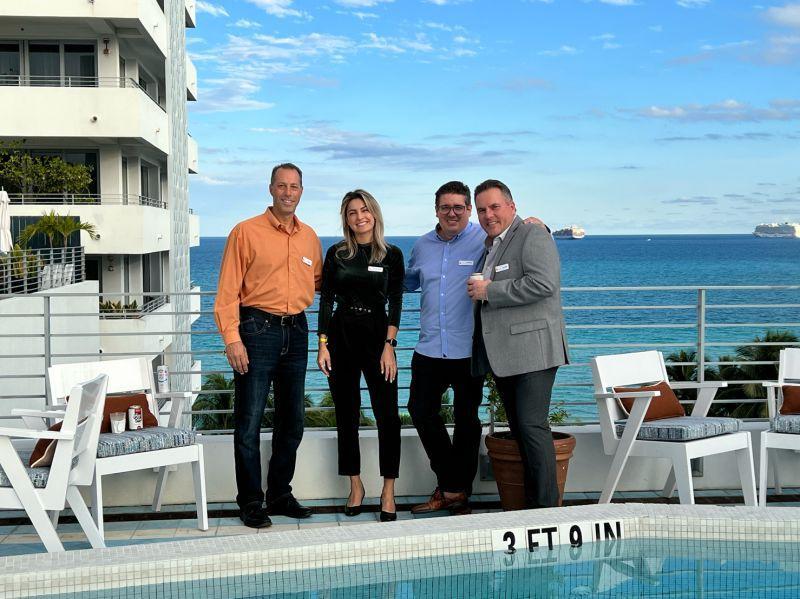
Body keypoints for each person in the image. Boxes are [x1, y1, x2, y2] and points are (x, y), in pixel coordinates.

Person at [214, 163, 322, 528]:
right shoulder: (245, 232)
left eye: (294, 187)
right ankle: (250, 501)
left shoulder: (309, 237)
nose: (288, 193)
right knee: (249, 422)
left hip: (299, 330)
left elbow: (319, 280)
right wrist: (232, 338)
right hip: (257, 330)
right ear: (271, 189)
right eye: (281, 186)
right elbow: (228, 291)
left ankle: (279, 493)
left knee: (292, 421)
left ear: (301, 191)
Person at [467, 179, 569, 509]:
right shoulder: (491, 244)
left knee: (531, 427)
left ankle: (545, 512)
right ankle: (531, 507)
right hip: (507, 354)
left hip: (535, 350)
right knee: (522, 430)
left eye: (494, 207)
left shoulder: (532, 234)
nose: (488, 214)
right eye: (482, 209)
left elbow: (544, 284)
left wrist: (488, 292)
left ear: (511, 206)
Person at [316, 189, 405, 522]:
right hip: (341, 335)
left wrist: (389, 345)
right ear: (346, 218)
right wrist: (322, 343)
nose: (359, 217)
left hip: (377, 336)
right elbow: (325, 301)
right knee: (347, 415)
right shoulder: (337, 253)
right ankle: (355, 485)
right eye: (352, 212)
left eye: (364, 210)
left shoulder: (392, 254)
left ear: (375, 214)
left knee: (388, 416)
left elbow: (396, 301)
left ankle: (388, 490)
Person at [404, 181, 486, 515]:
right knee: (420, 410)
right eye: (445, 207)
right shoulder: (422, 245)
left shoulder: (484, 239)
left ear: (469, 209)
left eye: (459, 207)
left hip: (468, 348)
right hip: (429, 347)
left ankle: (454, 492)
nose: (452, 213)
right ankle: (454, 485)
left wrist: (538, 224)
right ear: (436, 209)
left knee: (467, 420)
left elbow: (516, 235)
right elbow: (408, 282)